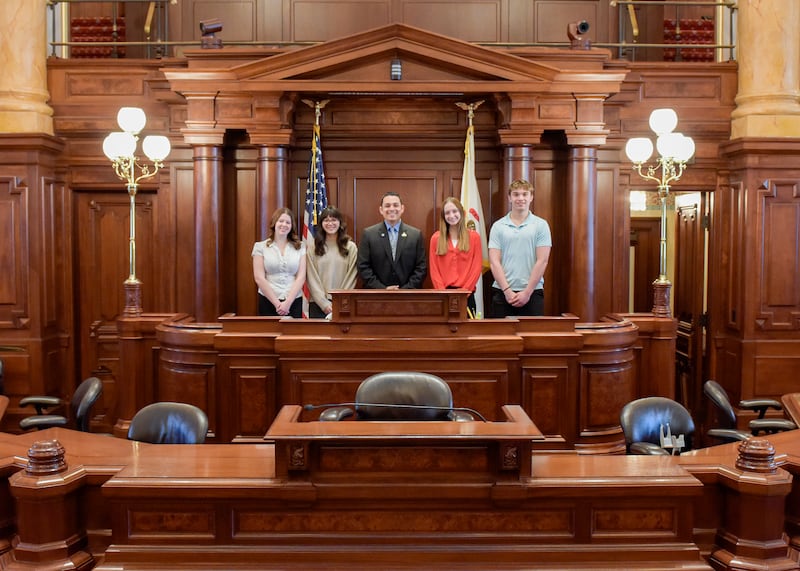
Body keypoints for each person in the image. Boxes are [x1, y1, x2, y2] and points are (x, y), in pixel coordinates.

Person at [488, 179, 552, 317]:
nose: (520, 198)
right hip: (502, 292)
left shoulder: (541, 225)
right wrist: (507, 291)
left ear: (531, 197)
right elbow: (494, 262)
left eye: (525, 194)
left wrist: (527, 293)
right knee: (501, 337)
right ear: (509, 198)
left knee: (532, 338)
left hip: (532, 293)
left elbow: (542, 261)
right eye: (516, 194)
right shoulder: (498, 226)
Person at [357, 191, 427, 289]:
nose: (392, 209)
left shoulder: (415, 235)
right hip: (376, 297)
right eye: (387, 206)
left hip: (409, 296)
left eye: (395, 205)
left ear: (402, 208)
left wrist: (405, 290)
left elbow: (421, 267)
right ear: (381, 210)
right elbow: (363, 267)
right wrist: (382, 289)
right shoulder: (369, 234)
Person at [428, 196, 482, 316]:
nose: (451, 215)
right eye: (447, 213)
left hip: (466, 296)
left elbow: (476, 268)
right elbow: (434, 270)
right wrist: (443, 293)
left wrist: (463, 293)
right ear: (443, 216)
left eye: (455, 211)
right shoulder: (436, 238)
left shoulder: (474, 237)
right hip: (443, 296)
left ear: (461, 213)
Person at [252, 207, 306, 318]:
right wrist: (277, 304)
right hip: (268, 300)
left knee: (293, 335)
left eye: (288, 222)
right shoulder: (260, 247)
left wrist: (287, 303)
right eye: (281, 221)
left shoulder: (300, 247)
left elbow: (301, 277)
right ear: (274, 223)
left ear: (291, 226)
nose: (284, 225)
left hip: (294, 300)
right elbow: (259, 278)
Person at [306, 206, 358, 318]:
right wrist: (324, 304)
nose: (330, 223)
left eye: (334, 220)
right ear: (321, 224)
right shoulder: (313, 247)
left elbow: (352, 276)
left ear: (340, 223)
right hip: (318, 305)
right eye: (326, 220)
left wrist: (340, 301)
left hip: (343, 304)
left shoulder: (350, 247)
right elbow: (311, 277)